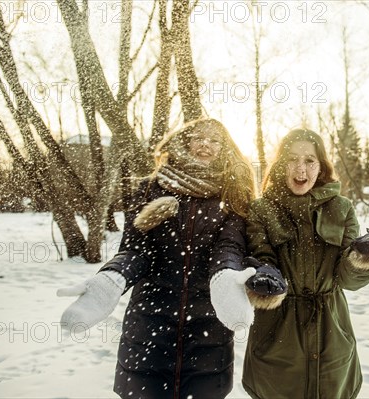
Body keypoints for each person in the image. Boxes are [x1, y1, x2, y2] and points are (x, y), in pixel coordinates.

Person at [57, 118, 275, 399]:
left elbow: (229, 245)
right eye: (199, 137)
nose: (205, 144)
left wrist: (226, 277)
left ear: (224, 149)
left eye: (214, 140)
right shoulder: (152, 188)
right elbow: (136, 250)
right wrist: (110, 279)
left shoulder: (232, 194)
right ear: (186, 141)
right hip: (150, 322)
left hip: (207, 325)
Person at [241, 128, 369, 399]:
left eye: (310, 160)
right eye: (292, 159)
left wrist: (363, 256)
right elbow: (261, 257)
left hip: (332, 333)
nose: (301, 168)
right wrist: (266, 277)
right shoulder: (261, 209)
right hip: (278, 335)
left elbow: (348, 280)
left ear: (321, 166)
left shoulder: (342, 208)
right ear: (280, 164)